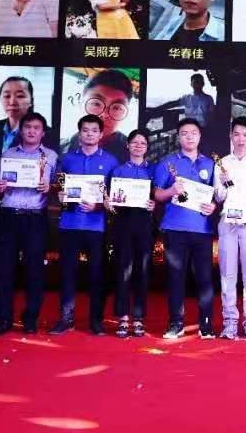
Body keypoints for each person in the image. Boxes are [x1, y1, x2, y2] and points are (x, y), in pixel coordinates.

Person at [0, 112, 57, 336]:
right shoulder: (8, 154)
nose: (31, 131)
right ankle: (4, 319)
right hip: (9, 215)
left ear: (43, 132)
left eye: (36, 128)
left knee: (35, 270)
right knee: (3, 268)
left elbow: (60, 186)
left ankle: (30, 319)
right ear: (21, 130)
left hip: (35, 217)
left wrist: (51, 187)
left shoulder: (51, 156)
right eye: (28, 127)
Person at [51, 115, 119, 336]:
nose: (89, 134)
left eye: (94, 130)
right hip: (69, 224)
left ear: (101, 134)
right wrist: (60, 195)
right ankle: (65, 318)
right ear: (79, 133)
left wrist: (99, 205)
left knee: (97, 275)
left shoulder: (111, 161)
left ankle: (96, 320)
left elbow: (114, 197)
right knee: (67, 273)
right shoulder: (67, 159)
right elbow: (59, 186)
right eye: (85, 130)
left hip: (97, 227)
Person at [152, 118, 218, 339]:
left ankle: (206, 324)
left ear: (200, 136)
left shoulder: (210, 164)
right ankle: (175, 323)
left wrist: (213, 206)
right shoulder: (167, 163)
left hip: (202, 229)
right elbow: (157, 194)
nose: (189, 137)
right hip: (175, 229)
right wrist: (171, 190)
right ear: (178, 137)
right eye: (184, 133)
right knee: (175, 278)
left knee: (205, 279)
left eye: (193, 133)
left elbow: (217, 195)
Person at [213, 117, 246, 340]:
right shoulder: (222, 163)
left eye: (245, 135)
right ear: (231, 136)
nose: (241, 139)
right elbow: (219, 197)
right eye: (237, 134)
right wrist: (224, 182)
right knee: (227, 273)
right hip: (227, 222)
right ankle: (229, 322)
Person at [106, 129, 156, 338]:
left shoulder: (153, 171)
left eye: (142, 143)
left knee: (142, 271)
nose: (138, 146)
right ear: (127, 145)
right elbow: (110, 199)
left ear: (147, 147)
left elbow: (159, 196)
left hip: (145, 223)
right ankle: (123, 317)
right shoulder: (117, 171)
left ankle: (138, 318)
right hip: (123, 222)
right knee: (123, 270)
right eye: (134, 142)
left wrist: (154, 204)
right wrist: (109, 203)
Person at [79, 69, 135, 162]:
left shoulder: (133, 153)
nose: (104, 114)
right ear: (81, 103)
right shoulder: (60, 149)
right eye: (96, 104)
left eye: (116, 108)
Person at [0, 76, 34, 160]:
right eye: (7, 96)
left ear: (31, 101)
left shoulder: (43, 133)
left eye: (20, 96)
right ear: (0, 99)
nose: (12, 102)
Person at [146, 73, 215, 129]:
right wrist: (156, 109)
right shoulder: (187, 97)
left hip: (203, 129)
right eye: (195, 82)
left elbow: (211, 116)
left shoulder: (208, 99)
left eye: (199, 82)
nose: (197, 84)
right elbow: (172, 104)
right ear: (191, 84)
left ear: (203, 84)